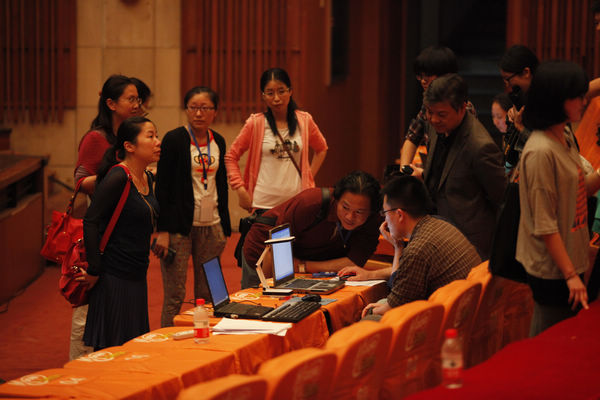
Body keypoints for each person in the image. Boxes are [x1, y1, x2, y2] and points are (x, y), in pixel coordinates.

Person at [517, 61, 600, 336]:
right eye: (576, 97)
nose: (584, 102)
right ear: (556, 101)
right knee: (549, 337)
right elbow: (545, 225)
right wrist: (570, 275)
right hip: (552, 269)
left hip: (572, 259)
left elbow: (580, 190)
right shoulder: (540, 151)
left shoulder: (563, 134)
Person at [69, 75, 140, 360]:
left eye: (138, 99)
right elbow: (79, 181)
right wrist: (118, 176)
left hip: (121, 236)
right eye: (130, 99)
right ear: (111, 104)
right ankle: (77, 370)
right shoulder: (96, 138)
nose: (136, 104)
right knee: (87, 308)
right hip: (97, 231)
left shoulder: (127, 137)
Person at [78, 116, 161, 350]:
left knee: (132, 349)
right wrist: (94, 268)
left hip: (137, 274)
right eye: (150, 136)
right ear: (129, 146)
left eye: (157, 135)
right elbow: (91, 220)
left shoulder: (147, 177)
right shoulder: (118, 177)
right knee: (113, 351)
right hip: (114, 277)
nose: (157, 142)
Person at [345, 175, 480, 319]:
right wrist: (398, 247)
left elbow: (396, 303)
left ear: (399, 214)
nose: (385, 220)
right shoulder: (439, 224)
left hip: (450, 320)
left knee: (369, 317)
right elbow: (400, 282)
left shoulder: (418, 249)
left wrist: (373, 311)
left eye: (385, 213)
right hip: (469, 311)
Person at [154, 86, 232, 327]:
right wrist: (162, 230)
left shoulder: (218, 141)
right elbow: (162, 187)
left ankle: (205, 336)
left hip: (211, 225)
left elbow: (221, 184)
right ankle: (166, 340)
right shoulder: (174, 140)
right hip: (179, 227)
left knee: (208, 293)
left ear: (215, 112)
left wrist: (224, 225)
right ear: (186, 110)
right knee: (175, 294)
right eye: (194, 107)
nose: (199, 113)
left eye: (205, 108)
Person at [241, 170, 382, 289]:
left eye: (359, 212)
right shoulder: (310, 203)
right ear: (336, 199)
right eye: (345, 207)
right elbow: (275, 250)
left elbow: (353, 262)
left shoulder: (373, 220)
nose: (350, 216)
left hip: (306, 262)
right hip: (264, 252)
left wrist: (302, 266)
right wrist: (268, 289)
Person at [422, 74, 506, 259]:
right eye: (429, 112)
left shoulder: (481, 146)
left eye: (441, 114)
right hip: (437, 231)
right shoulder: (437, 127)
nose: (433, 119)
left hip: (469, 242)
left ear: (462, 108)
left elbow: (501, 199)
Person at [224, 67, 328, 213]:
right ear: (263, 96)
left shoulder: (304, 121)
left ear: (290, 91)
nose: (276, 98)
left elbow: (321, 149)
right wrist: (240, 190)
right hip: (262, 204)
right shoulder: (256, 123)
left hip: (296, 203)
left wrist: (308, 176)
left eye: (281, 91)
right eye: (270, 93)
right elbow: (231, 157)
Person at [398, 46, 477, 172]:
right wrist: (403, 171)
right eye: (420, 76)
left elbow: (459, 156)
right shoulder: (427, 105)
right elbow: (412, 137)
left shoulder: (463, 108)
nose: (423, 81)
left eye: (428, 76)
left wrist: (424, 175)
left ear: (446, 76)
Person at [499, 45, 539, 168]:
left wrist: (520, 127)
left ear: (526, 72)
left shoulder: (545, 100)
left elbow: (545, 148)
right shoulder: (522, 96)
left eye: (508, 79)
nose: (508, 85)